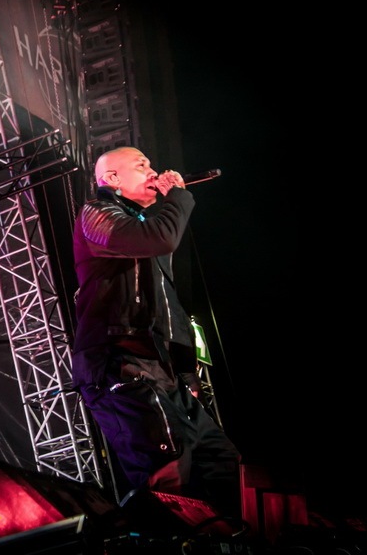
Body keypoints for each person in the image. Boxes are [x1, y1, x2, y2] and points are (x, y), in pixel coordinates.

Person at [70, 146, 242, 520]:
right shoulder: (96, 214)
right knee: (168, 469)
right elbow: (161, 238)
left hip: (161, 369)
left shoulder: (144, 230)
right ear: (112, 178)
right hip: (119, 363)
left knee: (220, 459)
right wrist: (177, 196)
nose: (153, 170)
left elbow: (168, 309)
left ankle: (234, 537)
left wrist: (185, 372)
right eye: (141, 165)